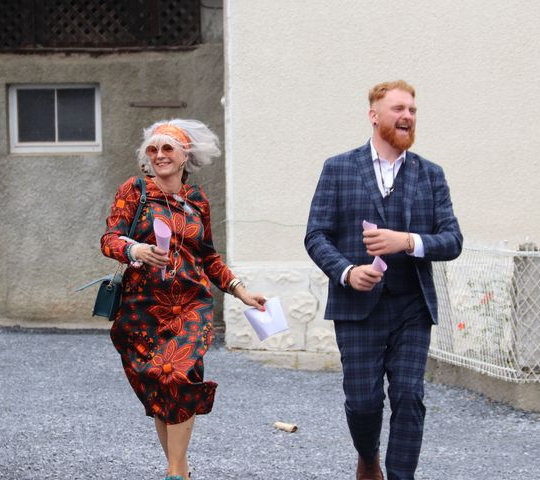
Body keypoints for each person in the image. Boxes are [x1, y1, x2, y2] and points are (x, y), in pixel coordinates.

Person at [305, 80, 462, 480]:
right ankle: (367, 456)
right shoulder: (338, 168)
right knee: (363, 403)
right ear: (374, 115)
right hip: (357, 307)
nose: (407, 116)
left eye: (412, 109)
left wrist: (406, 241)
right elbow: (316, 235)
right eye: (398, 109)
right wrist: (347, 271)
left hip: (412, 306)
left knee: (409, 396)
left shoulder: (431, 174)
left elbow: (452, 240)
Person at [101, 119, 265, 480]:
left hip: (191, 305)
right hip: (142, 308)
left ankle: (175, 472)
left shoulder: (196, 200)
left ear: (184, 155)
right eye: (153, 149)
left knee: (178, 375)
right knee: (161, 387)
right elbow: (109, 239)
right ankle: (180, 468)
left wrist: (240, 290)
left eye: (167, 148)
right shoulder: (134, 191)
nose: (159, 155)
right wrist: (137, 250)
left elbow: (208, 256)